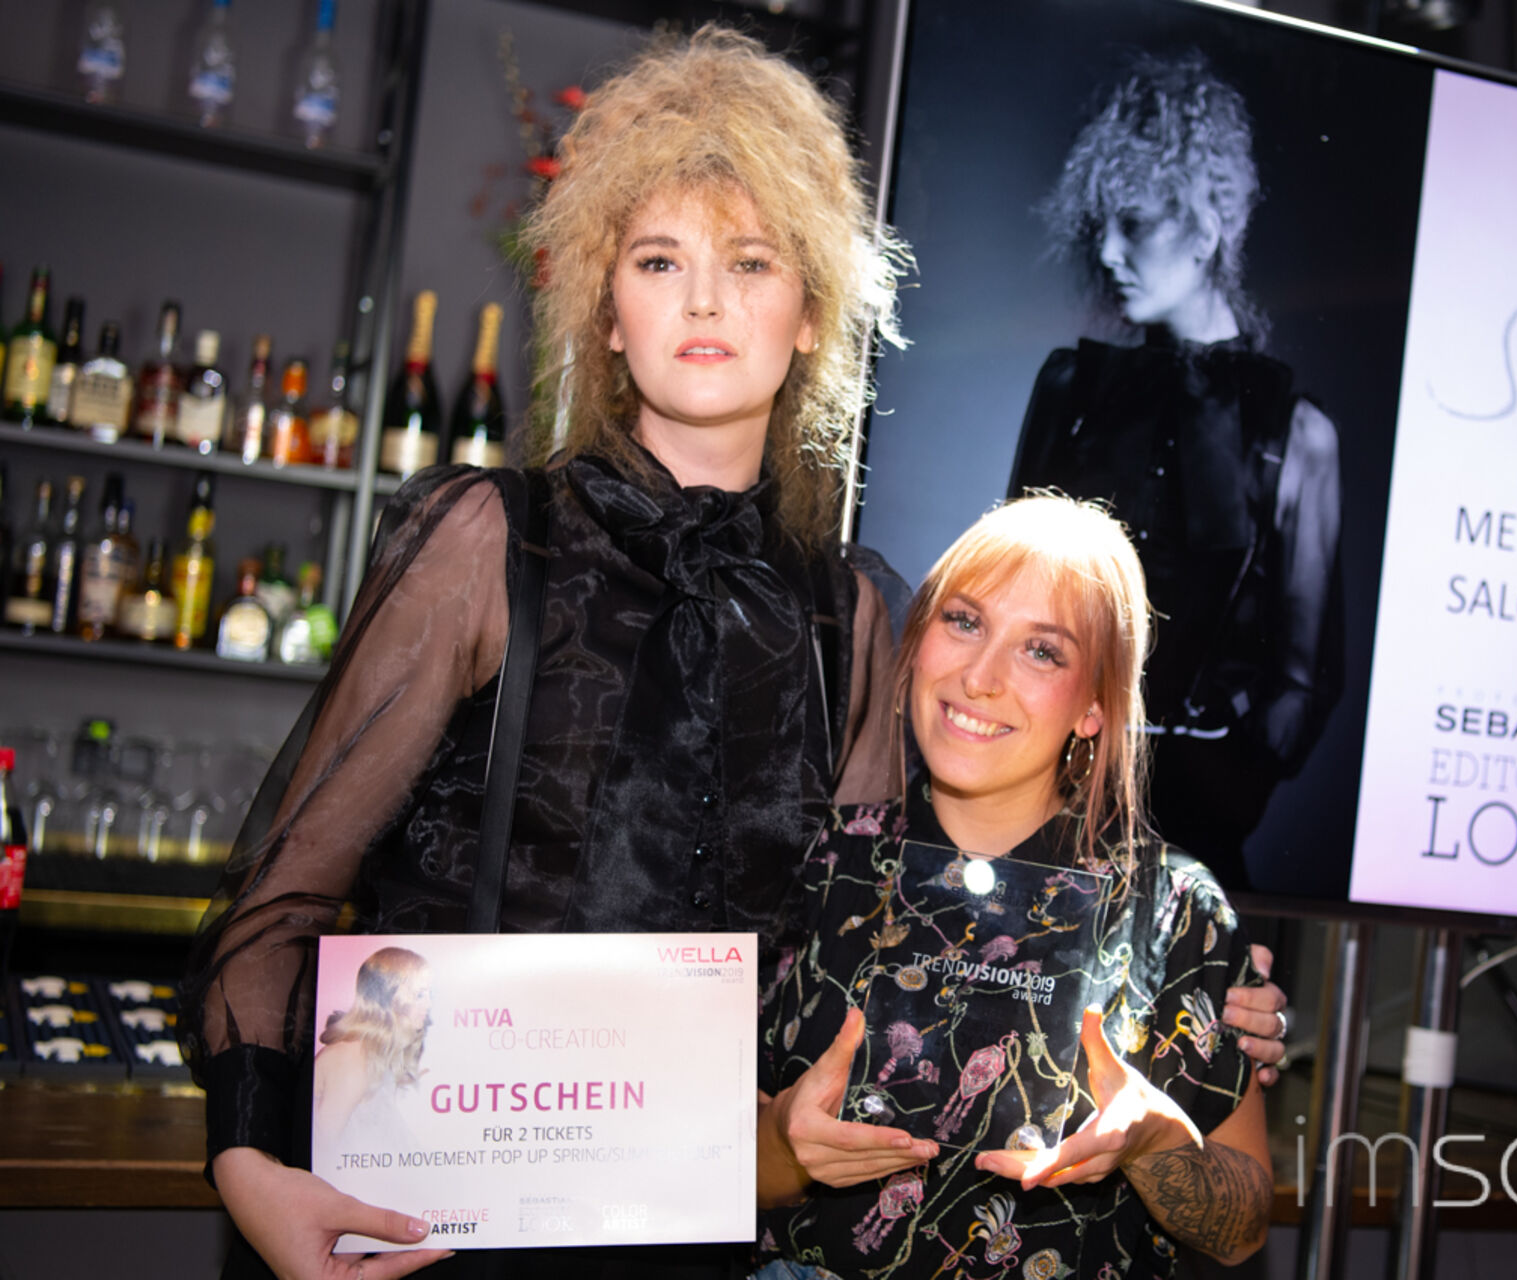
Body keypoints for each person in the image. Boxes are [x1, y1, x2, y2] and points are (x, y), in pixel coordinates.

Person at [179, 29, 1289, 1280]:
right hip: (436, 1234)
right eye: (660, 260)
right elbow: (282, 892)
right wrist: (249, 1165)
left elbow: (919, 907)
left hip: (713, 1232)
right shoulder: (487, 541)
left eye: (750, 262)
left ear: (811, 312)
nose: (704, 300)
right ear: (606, 310)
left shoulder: (852, 610)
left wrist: (1191, 986)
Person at [756, 496, 1273, 1279]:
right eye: (964, 621)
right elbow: (696, 1175)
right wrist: (785, 1147)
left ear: (1094, 706)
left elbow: (1241, 1231)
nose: (980, 677)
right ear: (917, 639)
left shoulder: (1171, 909)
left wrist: (1154, 1143)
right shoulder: (814, 861)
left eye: (1042, 651)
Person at [1006, 49, 1344, 877]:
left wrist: (1207, 793)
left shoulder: (1296, 433)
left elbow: (1304, 683)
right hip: (1044, 830)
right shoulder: (1071, 387)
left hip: (1195, 855)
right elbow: (1009, 607)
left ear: (1207, 225)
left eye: (1137, 222)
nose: (1109, 252)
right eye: (1102, 224)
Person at [312, 948, 432, 1151]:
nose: (428, 1004)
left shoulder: (368, 1054)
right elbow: (326, 1148)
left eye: (429, 994)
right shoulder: (351, 1059)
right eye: (419, 995)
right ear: (390, 997)